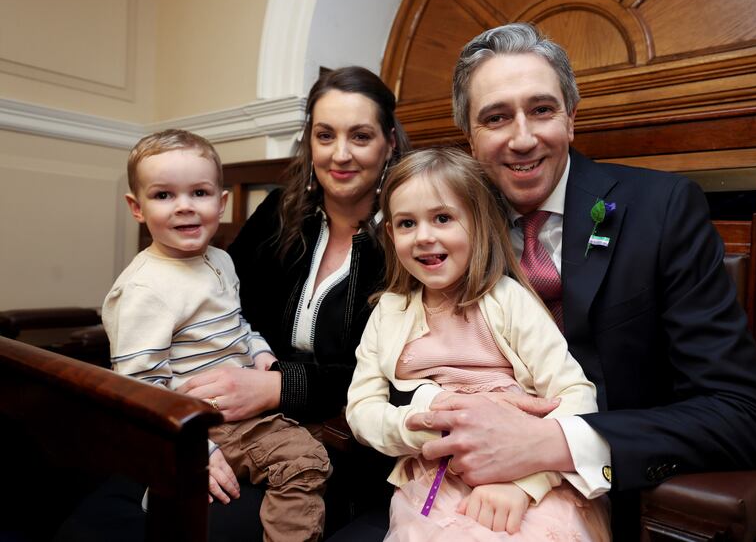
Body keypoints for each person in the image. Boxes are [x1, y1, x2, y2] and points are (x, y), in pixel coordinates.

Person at [401, 23, 756, 538]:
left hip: (612, 498)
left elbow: (743, 417)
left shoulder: (662, 210)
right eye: (496, 117)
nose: (523, 137)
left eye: (541, 109)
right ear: (470, 140)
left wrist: (550, 443)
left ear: (571, 118)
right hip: (455, 494)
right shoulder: (442, 234)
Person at [178, 66, 413, 534]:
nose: (339, 154)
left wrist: (280, 386)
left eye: (360, 136)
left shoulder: (411, 234)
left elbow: (399, 372)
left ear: (388, 142)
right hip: (242, 421)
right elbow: (221, 308)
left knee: (211, 525)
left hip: (344, 447)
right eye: (325, 135)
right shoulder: (280, 212)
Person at [346, 148, 610, 540]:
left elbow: (574, 394)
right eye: (406, 223)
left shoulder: (508, 300)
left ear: (479, 224)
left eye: (442, 218)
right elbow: (362, 410)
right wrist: (420, 427)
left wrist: (525, 483)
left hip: (525, 472)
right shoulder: (389, 312)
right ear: (391, 234)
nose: (424, 237)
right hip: (437, 476)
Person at [103, 128, 331, 541]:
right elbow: (139, 388)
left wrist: (261, 354)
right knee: (304, 463)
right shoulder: (144, 290)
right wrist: (194, 450)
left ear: (221, 202)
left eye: (200, 193)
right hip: (199, 422)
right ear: (137, 208)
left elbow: (238, 325)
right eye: (164, 196)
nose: (184, 208)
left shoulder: (221, 261)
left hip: (242, 404)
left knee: (320, 444)